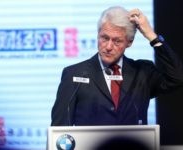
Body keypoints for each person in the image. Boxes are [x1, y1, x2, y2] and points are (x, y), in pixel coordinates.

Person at [51, 6, 183, 126]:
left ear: (129, 42)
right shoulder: (74, 74)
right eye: (104, 38)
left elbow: (177, 78)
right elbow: (59, 129)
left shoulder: (142, 72)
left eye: (117, 41)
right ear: (98, 35)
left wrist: (151, 36)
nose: (108, 47)